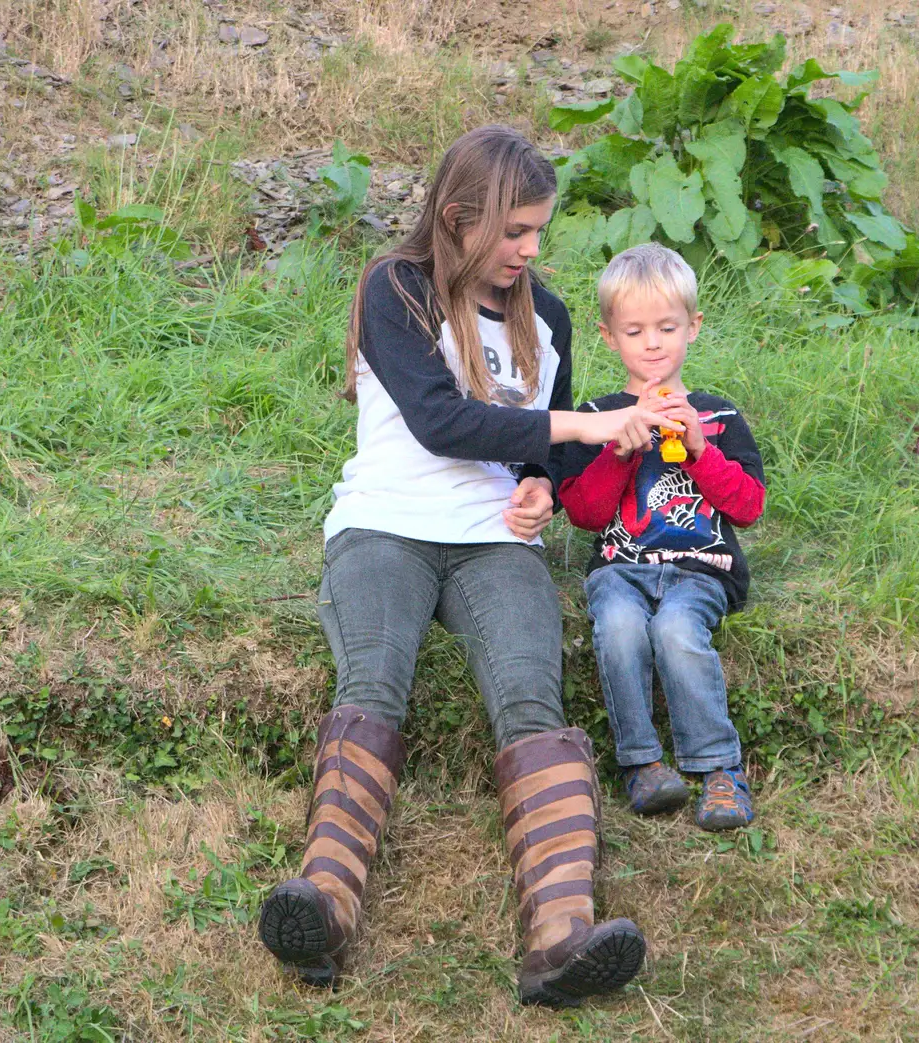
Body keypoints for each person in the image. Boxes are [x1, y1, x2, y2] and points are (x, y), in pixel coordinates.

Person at [256, 127, 675, 1008]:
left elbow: (541, 448)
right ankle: (324, 905)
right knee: (375, 679)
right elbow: (444, 423)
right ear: (458, 218)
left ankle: (562, 935)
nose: (531, 250)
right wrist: (583, 432)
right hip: (385, 526)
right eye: (516, 232)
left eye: (537, 231)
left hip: (495, 543)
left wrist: (539, 489)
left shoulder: (549, 315)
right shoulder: (396, 288)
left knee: (532, 699)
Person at [556, 244, 767, 832]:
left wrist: (699, 447)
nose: (652, 343)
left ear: (693, 328)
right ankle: (643, 764)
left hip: (701, 567)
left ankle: (719, 767)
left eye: (667, 327)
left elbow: (748, 507)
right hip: (621, 566)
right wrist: (622, 448)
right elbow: (584, 512)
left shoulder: (719, 415)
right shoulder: (596, 416)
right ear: (608, 337)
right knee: (621, 627)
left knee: (676, 630)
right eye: (635, 330)